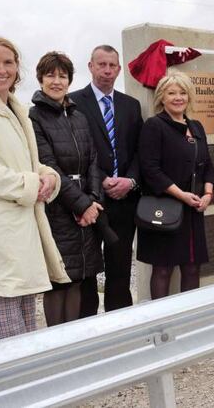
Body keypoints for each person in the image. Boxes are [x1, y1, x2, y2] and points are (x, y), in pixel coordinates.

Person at [0, 36, 69, 343]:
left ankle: (24, 381)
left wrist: (49, 177)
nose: (1, 69)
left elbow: (28, 161)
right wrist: (33, 185)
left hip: (22, 223)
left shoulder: (17, 109)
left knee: (24, 308)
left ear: (18, 68)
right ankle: (0, 382)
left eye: (8, 62)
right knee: (4, 307)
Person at [29, 52, 105, 326]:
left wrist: (93, 201)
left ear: (70, 80)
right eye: (50, 75)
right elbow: (47, 164)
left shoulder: (78, 117)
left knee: (79, 278)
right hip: (57, 209)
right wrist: (81, 205)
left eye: (62, 76)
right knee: (59, 280)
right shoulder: (34, 119)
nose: (56, 81)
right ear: (40, 79)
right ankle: (54, 344)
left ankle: (72, 340)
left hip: (85, 207)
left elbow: (94, 161)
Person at [69, 45, 143, 314]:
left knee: (120, 269)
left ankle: (120, 326)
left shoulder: (131, 106)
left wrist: (130, 181)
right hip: (89, 202)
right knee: (87, 272)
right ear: (90, 66)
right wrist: (99, 181)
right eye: (101, 64)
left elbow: (139, 151)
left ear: (119, 69)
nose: (107, 70)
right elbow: (73, 152)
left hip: (124, 202)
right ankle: (88, 327)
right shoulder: (73, 104)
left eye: (112, 65)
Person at [137, 71, 214, 299]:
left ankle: (188, 322)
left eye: (182, 93)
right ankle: (161, 327)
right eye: (172, 93)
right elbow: (150, 170)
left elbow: (207, 164)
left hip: (194, 210)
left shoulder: (197, 126)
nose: (178, 97)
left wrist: (208, 193)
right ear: (162, 97)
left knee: (192, 267)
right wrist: (181, 195)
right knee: (163, 269)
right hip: (166, 208)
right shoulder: (154, 125)